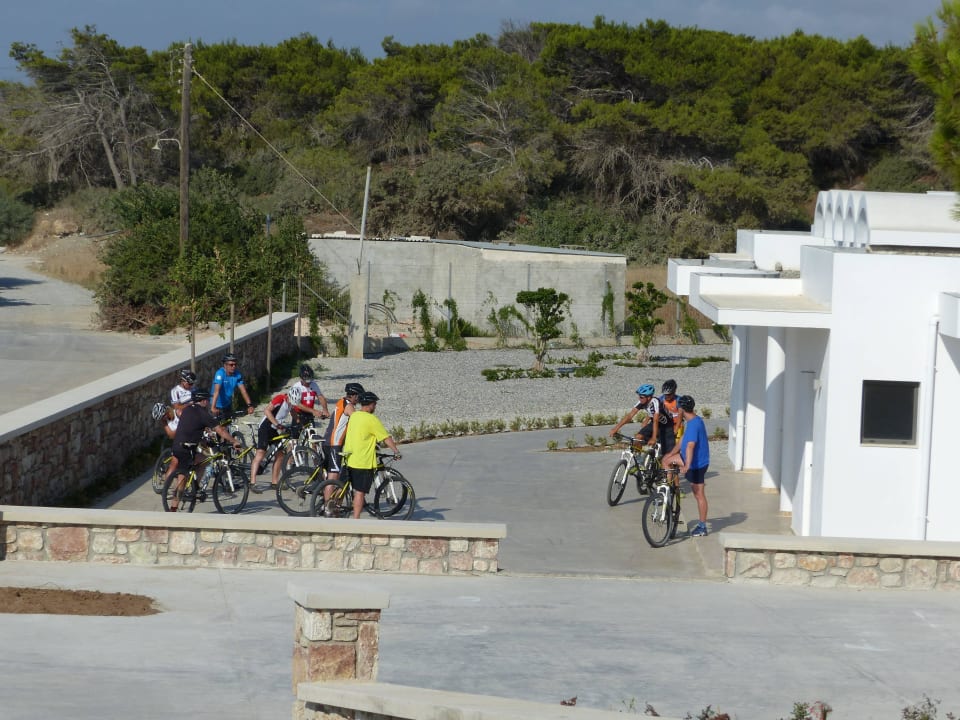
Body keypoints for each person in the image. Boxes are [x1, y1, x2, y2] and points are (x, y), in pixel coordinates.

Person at [168, 389, 241, 511]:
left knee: (204, 459)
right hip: (187, 448)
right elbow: (221, 430)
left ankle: (195, 486)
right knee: (182, 478)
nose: (208, 402)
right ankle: (174, 508)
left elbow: (192, 427)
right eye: (207, 400)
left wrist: (204, 439)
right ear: (202, 401)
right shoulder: (203, 414)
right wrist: (234, 441)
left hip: (177, 446)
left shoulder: (187, 410)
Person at [340, 391, 401, 519]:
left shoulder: (355, 416)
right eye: (374, 404)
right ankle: (356, 520)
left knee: (345, 487)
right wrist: (396, 451)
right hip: (363, 461)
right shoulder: (372, 419)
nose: (375, 406)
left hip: (349, 458)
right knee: (360, 493)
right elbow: (385, 438)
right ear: (369, 405)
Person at [661, 395, 710, 537]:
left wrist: (686, 465)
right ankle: (669, 489)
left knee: (698, 494)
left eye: (678, 408)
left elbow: (690, 446)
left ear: (682, 409)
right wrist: (671, 453)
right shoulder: (694, 420)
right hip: (694, 460)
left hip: (696, 463)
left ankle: (702, 527)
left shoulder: (694, 424)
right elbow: (683, 440)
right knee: (666, 460)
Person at [321, 382, 365, 499]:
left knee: (333, 475)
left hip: (328, 442)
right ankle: (327, 508)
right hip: (334, 444)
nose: (359, 399)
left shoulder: (341, 401)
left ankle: (330, 501)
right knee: (333, 478)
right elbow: (357, 422)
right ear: (354, 395)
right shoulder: (349, 406)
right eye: (359, 396)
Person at [249, 391, 293, 494]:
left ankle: (274, 482)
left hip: (273, 429)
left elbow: (294, 414)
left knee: (280, 454)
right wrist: (278, 425)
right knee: (260, 454)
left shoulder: (291, 403)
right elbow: (267, 411)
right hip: (265, 427)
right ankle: (252, 483)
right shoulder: (280, 398)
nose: (292, 404)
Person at [608, 383, 670, 453]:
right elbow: (629, 416)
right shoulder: (641, 402)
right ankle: (639, 458)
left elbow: (655, 420)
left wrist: (653, 437)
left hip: (666, 425)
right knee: (637, 438)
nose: (639, 398)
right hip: (655, 424)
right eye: (639, 396)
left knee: (656, 444)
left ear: (649, 397)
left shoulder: (655, 402)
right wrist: (615, 429)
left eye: (641, 397)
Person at [210, 353, 255, 418]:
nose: (234, 366)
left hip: (227, 404)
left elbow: (243, 391)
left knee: (227, 425)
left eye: (235, 364)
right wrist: (213, 407)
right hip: (216, 405)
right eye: (231, 365)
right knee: (217, 427)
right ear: (225, 365)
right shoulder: (220, 374)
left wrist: (249, 405)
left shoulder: (237, 374)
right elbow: (216, 391)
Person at [163, 369, 196, 441]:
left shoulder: (193, 389)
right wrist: (189, 404)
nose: (191, 386)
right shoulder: (175, 391)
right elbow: (177, 407)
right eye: (190, 384)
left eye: (192, 384)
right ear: (183, 381)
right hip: (184, 413)